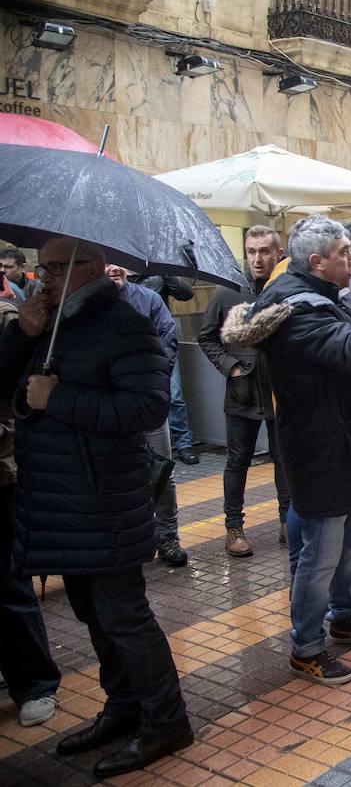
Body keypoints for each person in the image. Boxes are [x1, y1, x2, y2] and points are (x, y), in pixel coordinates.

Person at [0, 237, 193, 777]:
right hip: (58, 498)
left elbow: (146, 408)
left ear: (93, 268)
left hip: (104, 498)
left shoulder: (126, 324)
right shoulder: (49, 323)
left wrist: (57, 397)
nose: (45, 278)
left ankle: (166, 721)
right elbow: (7, 387)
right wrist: (23, 334)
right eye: (43, 268)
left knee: (124, 616)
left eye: (59, 268)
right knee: (91, 613)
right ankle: (123, 706)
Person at [224, 215, 351, 687]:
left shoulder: (319, 298)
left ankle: (344, 617)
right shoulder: (296, 310)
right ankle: (306, 647)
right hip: (320, 450)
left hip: (343, 442)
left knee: (347, 546)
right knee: (319, 555)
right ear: (318, 262)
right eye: (344, 252)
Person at [199, 225, 292, 557]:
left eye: (264, 251)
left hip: (280, 391)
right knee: (238, 461)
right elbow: (206, 337)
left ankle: (287, 521)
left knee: (284, 458)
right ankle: (233, 527)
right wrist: (231, 367)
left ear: (278, 254)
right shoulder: (228, 291)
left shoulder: (285, 289)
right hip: (242, 392)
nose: (257, 258)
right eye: (251, 251)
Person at [0, 288, 61, 728]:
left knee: (7, 582)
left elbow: (15, 392)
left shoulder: (11, 319)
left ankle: (34, 683)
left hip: (1, 470)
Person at [106, 264, 189, 567]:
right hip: (109, 408)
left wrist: (149, 380)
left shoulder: (148, 300)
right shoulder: (86, 306)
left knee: (162, 471)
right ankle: (128, 538)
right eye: (107, 260)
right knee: (115, 474)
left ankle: (168, 535)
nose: (114, 267)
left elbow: (168, 341)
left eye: (118, 261)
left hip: (149, 403)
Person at [136, 274, 199, 465]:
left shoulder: (155, 274)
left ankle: (183, 443)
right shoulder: (116, 276)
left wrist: (164, 272)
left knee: (175, 395)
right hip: (132, 349)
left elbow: (186, 293)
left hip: (160, 347)